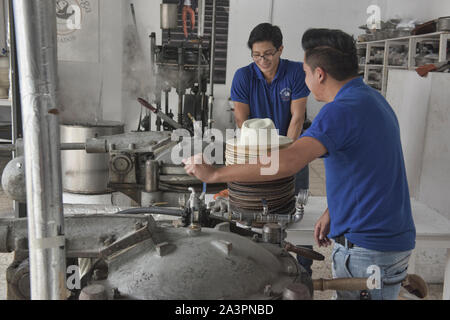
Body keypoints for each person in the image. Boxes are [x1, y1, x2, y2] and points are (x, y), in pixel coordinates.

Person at [184, 28, 416, 300]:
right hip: (386, 239)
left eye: (305, 72)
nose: (303, 79)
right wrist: (334, 210)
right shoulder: (371, 98)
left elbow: (288, 162)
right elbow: (371, 169)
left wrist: (216, 173)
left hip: (368, 248)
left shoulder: (339, 111)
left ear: (320, 74)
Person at [230, 23, 313, 275]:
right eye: (256, 55)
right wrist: (261, 161)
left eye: (268, 54)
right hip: (255, 155)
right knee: (253, 214)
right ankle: (257, 270)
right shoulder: (243, 76)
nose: (262, 60)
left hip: (291, 152)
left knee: (295, 213)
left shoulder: (296, 72)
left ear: (280, 50)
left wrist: (285, 158)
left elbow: (297, 118)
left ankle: (303, 272)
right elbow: (241, 121)